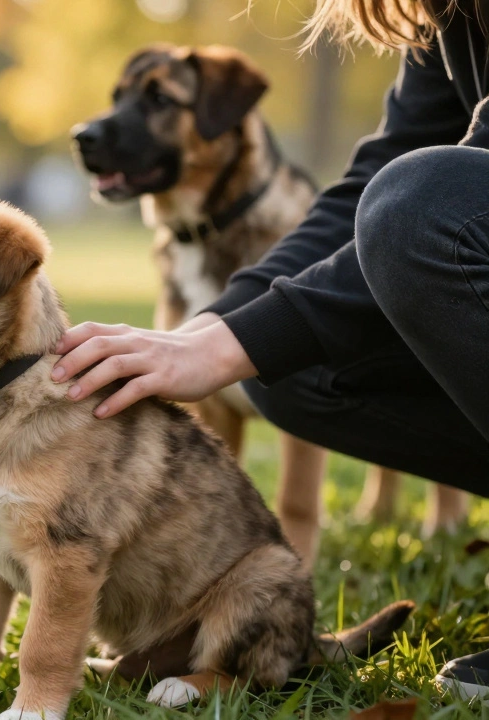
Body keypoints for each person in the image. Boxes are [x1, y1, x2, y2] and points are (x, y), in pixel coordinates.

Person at [50, 0, 489, 698]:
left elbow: (425, 200)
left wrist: (233, 341)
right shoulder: (449, 16)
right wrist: (209, 329)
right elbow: (373, 176)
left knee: (418, 204)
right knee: (285, 368)